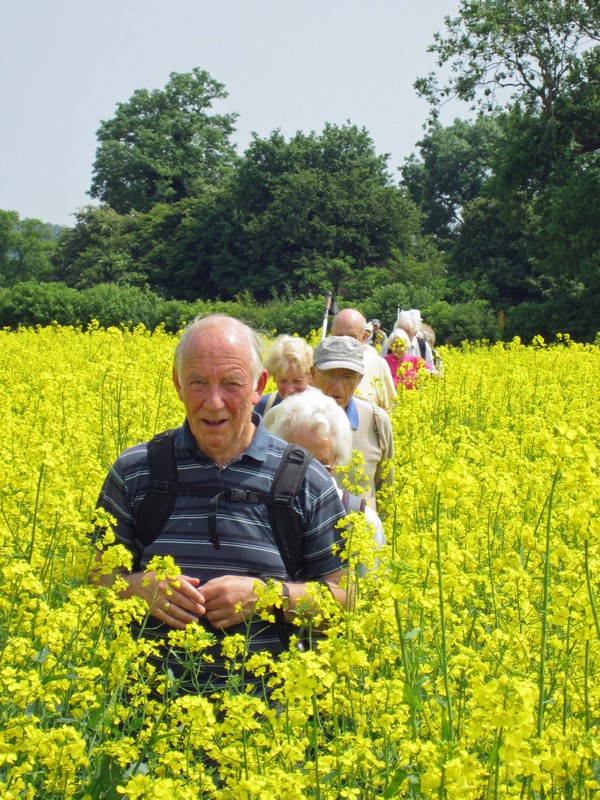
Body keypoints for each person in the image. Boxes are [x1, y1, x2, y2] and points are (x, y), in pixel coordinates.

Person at [90, 314, 347, 692]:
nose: (214, 403)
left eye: (231, 383)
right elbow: (95, 581)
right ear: (178, 384)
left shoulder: (305, 479)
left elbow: (343, 600)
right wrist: (135, 588)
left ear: (259, 386)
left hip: (268, 723)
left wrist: (268, 597)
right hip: (142, 717)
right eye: (198, 382)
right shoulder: (134, 472)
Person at [267, 336, 394, 510]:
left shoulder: (377, 421)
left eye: (348, 377)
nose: (338, 386)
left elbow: (386, 491)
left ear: (359, 379)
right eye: (330, 375)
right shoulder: (283, 417)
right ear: (313, 374)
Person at [266, 391, 386, 574]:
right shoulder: (254, 509)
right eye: (295, 462)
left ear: (337, 460)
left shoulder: (362, 521)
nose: (307, 477)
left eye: (320, 466)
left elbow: (371, 589)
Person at [330, 308, 395, 411]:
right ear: (331, 334)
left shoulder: (378, 365)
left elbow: (391, 409)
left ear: (364, 337)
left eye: (351, 338)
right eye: (339, 336)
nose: (345, 343)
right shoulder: (318, 364)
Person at [254, 334, 313, 417]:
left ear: (310, 376)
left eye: (297, 381)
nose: (290, 390)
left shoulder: (322, 408)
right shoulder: (264, 406)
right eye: (283, 381)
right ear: (274, 378)